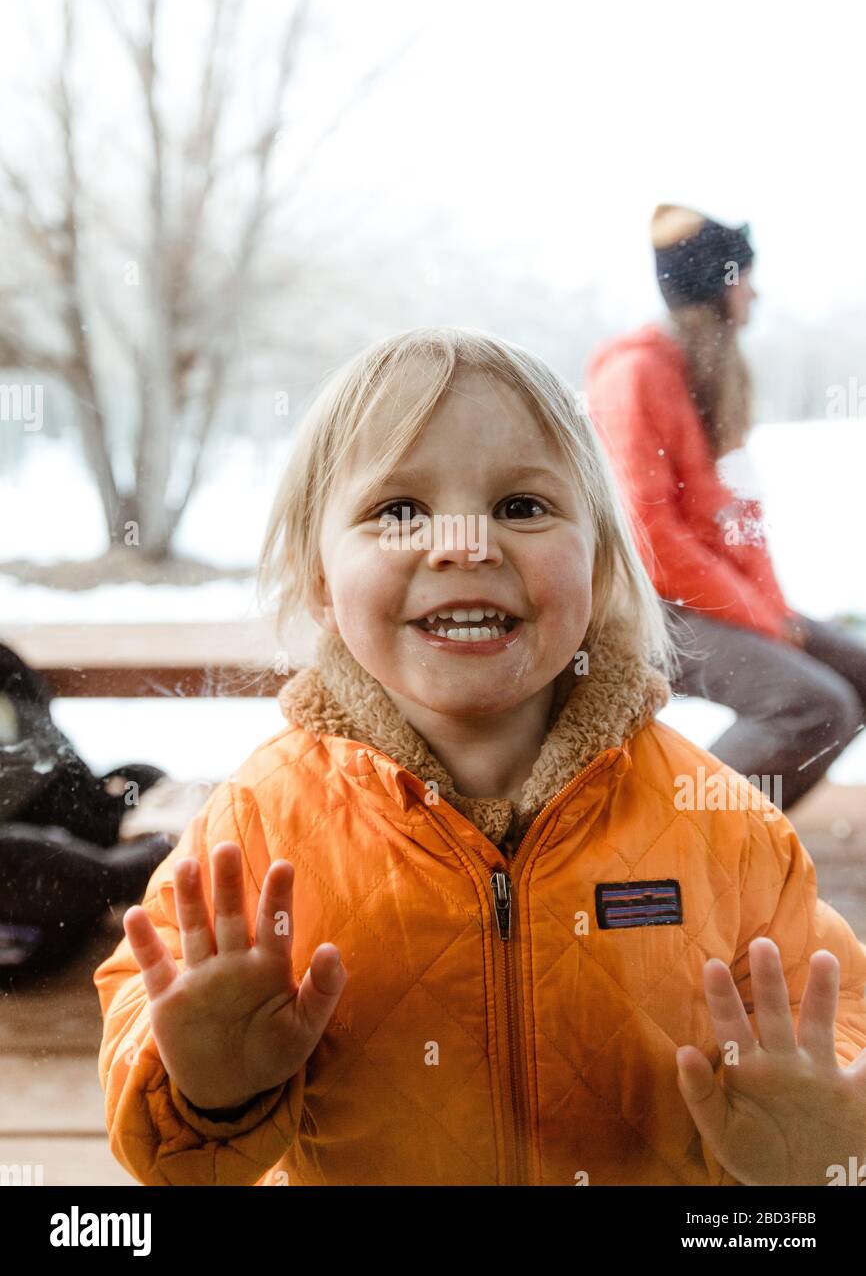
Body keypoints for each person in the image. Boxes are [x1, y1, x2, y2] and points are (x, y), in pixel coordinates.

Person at [94, 327, 866, 1187]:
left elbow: (833, 1017)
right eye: (399, 511)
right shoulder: (258, 823)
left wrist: (824, 1143)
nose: (464, 543)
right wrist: (204, 1088)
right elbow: (157, 1073)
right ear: (319, 575)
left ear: (603, 564)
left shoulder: (723, 825)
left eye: (521, 507)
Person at [583, 205, 866, 815]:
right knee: (815, 706)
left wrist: (772, 610)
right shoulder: (636, 375)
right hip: (645, 608)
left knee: (860, 671)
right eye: (744, 277)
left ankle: (744, 836)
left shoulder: (706, 372)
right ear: (715, 284)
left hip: (710, 599)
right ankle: (670, 837)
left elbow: (737, 523)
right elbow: (649, 538)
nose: (754, 292)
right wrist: (762, 620)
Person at [0, 641, 174, 979]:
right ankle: (131, 870)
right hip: (49, 853)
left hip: (52, 807)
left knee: (138, 779)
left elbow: (89, 801)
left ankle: (129, 867)